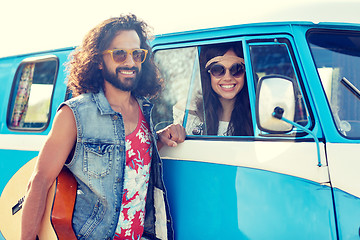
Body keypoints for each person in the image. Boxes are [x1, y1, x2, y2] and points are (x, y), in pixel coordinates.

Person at [20, 14, 185, 240]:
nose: (130, 62)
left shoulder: (145, 109)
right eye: (119, 54)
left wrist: (160, 137)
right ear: (98, 60)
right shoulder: (75, 114)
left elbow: (127, 153)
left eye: (137, 54)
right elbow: (40, 181)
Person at [178, 43, 253, 136]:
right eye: (218, 70)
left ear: (246, 73)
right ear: (208, 75)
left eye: (236, 69)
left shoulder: (258, 114)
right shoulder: (191, 114)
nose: (228, 78)